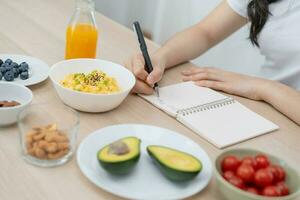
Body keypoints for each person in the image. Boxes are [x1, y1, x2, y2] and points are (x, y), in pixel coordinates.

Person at [125, 0, 300, 125]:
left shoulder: (260, 87)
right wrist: (159, 59)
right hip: (264, 108)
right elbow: (205, 32)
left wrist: (262, 87)